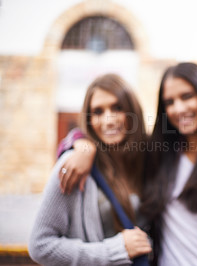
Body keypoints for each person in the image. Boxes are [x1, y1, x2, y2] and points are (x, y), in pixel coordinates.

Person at [54, 62, 197, 266]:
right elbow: (95, 135)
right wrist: (83, 145)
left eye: (187, 96)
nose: (179, 108)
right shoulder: (159, 153)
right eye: (170, 102)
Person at [28, 73, 152, 266]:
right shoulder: (75, 164)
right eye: (98, 112)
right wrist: (116, 251)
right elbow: (40, 245)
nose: (109, 120)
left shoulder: (146, 159)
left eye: (118, 108)